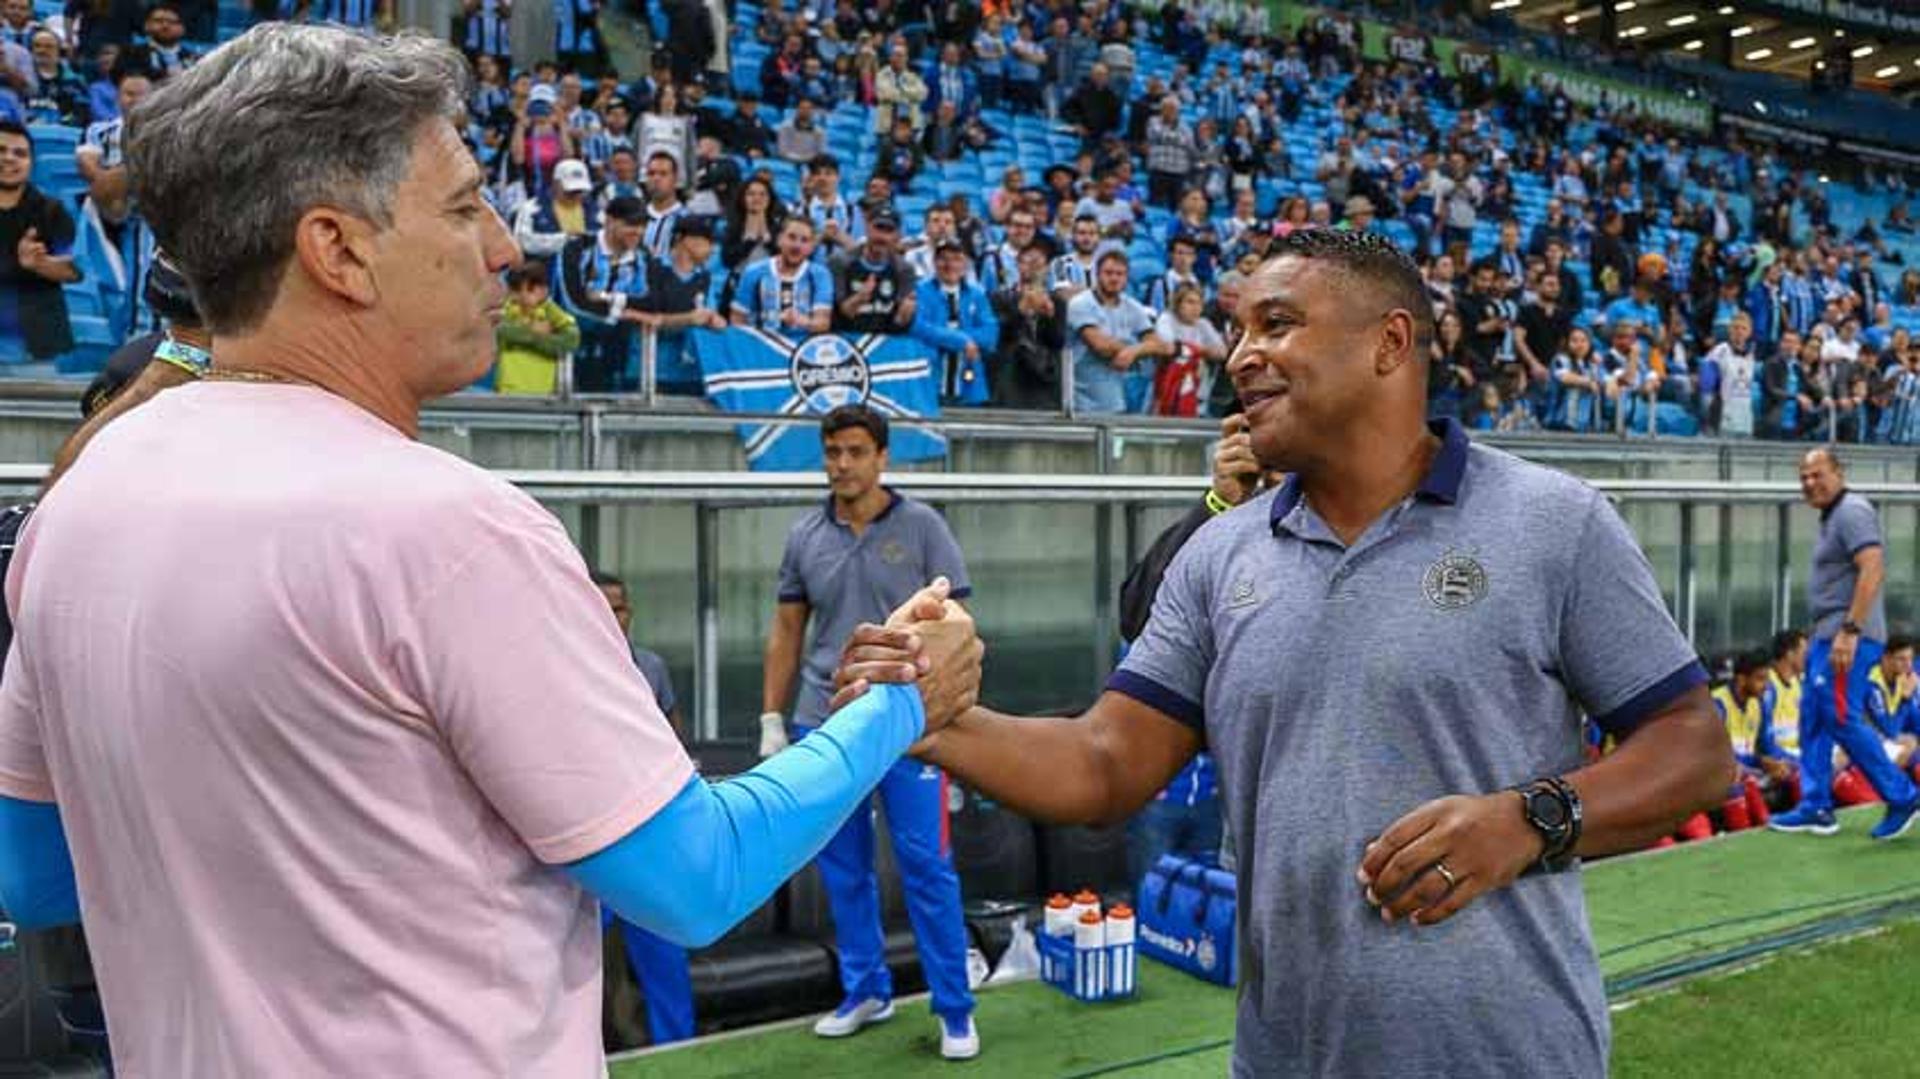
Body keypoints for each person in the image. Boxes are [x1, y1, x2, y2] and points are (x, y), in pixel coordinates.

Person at [0, 24, 985, 1078]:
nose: (507, 250)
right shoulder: (448, 530)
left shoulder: (77, 503)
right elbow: (696, 875)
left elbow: (35, 873)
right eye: (466, 208)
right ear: (337, 249)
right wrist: (900, 707)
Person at [831, 228, 1731, 1078]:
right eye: (1235, 330)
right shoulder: (1221, 556)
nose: (1237, 357)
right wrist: (929, 711)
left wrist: (1526, 822)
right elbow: (1104, 761)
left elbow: (1695, 748)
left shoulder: (1553, 521)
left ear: (1389, 343)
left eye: (1277, 324)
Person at [756, 405, 981, 1062]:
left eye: (855, 452)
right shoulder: (805, 535)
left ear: (882, 456)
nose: (842, 465)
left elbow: (958, 625)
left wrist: (956, 729)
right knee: (842, 867)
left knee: (927, 866)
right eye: (832, 452)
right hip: (825, 719)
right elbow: (787, 632)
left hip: (910, 725)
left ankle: (954, 1007)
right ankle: (865, 990)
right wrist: (773, 717)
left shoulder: (922, 527)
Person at [1769, 449, 1920, 839]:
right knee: (1814, 716)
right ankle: (1816, 806)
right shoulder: (1833, 516)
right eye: (1803, 477)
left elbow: (1873, 568)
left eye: (1817, 474)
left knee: (1838, 715)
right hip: (1828, 635)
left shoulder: (1852, 511)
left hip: (1847, 637)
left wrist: (1850, 631)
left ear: (1838, 473)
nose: (1809, 483)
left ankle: (1901, 795)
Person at [589, 568, 696, 1047]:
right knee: (578, 955)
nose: (614, 618)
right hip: (591, 836)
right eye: (602, 607)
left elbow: (674, 737)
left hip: (651, 832)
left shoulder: (650, 667)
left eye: (621, 608)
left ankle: (680, 1049)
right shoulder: (565, 667)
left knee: (663, 948)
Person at [0, 120, 80, 362]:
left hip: (41, 345)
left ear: (31, 163)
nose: (10, 158)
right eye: (1, 150)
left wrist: (41, 265)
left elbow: (76, 270)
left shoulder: (51, 211)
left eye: (20, 153)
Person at [557, 194, 650, 392]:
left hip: (622, 357)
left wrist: (606, 298)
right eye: (631, 224)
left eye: (643, 226)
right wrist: (622, 312)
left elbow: (647, 302)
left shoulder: (643, 256)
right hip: (570, 353)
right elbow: (572, 303)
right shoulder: (577, 248)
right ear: (609, 221)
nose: (638, 232)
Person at [1067, 250, 1168, 415]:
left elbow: (1160, 345)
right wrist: (1137, 349)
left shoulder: (1132, 306)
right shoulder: (1080, 304)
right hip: (1080, 404)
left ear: (1126, 277)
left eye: (1120, 274)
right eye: (1108, 273)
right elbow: (1101, 346)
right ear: (1097, 275)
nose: (1114, 278)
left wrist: (1133, 351)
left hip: (1117, 403)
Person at [911, 239, 998, 405]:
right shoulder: (920, 291)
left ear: (965, 263)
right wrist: (961, 341)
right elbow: (918, 326)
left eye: (956, 259)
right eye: (944, 258)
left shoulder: (977, 294)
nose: (949, 265)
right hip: (930, 381)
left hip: (969, 381)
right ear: (934, 262)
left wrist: (954, 338)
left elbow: (990, 333)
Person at [730, 216, 834, 337]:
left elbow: (823, 323)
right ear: (779, 239)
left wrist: (803, 321)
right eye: (792, 237)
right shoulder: (753, 271)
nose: (797, 245)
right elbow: (737, 319)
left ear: (811, 247)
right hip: (761, 347)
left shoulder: (820, 274)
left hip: (802, 349)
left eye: (804, 240)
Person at [494, 261, 581, 396]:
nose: (541, 292)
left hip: (544, 393)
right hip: (508, 389)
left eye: (542, 287)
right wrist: (532, 331)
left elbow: (571, 340)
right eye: (530, 289)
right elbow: (500, 331)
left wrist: (538, 338)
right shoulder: (506, 309)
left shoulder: (552, 311)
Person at [830, 208, 916, 335]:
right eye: (878, 228)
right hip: (848, 337)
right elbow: (840, 315)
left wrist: (903, 317)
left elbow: (897, 325)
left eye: (889, 231)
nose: (882, 236)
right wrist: (860, 298)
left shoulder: (904, 269)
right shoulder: (840, 262)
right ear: (867, 228)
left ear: (897, 236)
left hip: (885, 342)